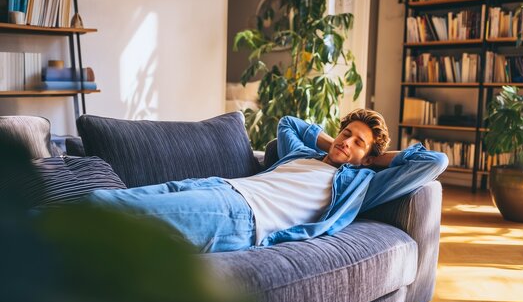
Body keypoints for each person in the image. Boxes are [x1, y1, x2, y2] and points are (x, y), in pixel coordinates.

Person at [87, 109, 448, 253]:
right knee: (112, 200)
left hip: (241, 214)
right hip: (221, 185)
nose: (346, 140)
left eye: (358, 141)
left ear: (368, 156)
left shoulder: (361, 183)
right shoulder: (300, 155)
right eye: (346, 132)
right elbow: (288, 123)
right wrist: (332, 143)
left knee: (116, 212)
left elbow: (435, 161)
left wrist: (372, 158)